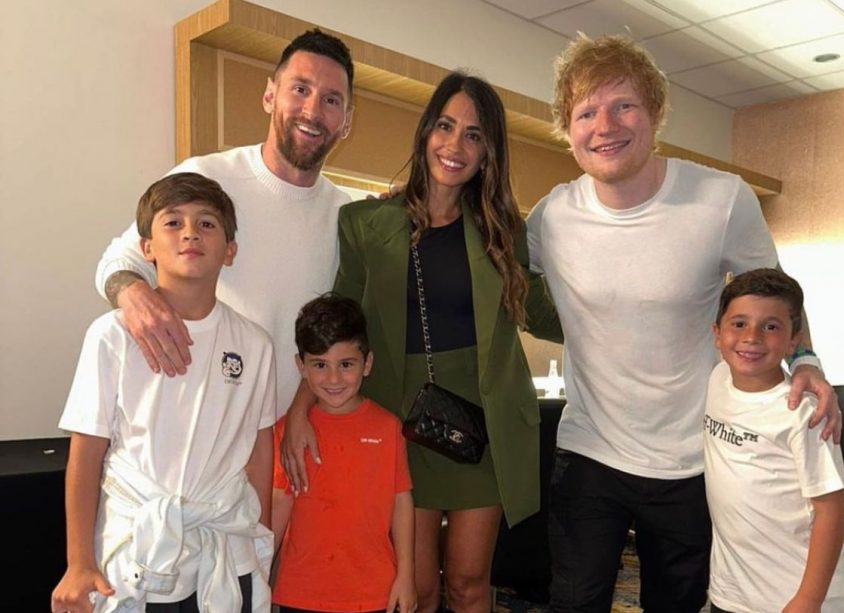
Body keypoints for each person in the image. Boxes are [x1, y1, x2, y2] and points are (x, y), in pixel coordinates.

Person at [525, 34, 841, 612]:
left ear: (654, 114)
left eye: (624, 106)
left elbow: (776, 298)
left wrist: (808, 360)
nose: (605, 125)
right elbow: (487, 261)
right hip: (590, 451)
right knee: (573, 603)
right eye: (586, 112)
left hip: (692, 456)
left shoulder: (720, 199)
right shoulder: (552, 216)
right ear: (567, 130)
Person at [319, 71, 561, 612]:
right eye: (446, 126)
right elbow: (343, 320)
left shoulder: (503, 231)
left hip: (485, 421)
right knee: (417, 588)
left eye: (474, 135)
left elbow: (542, 314)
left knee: (471, 584)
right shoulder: (366, 222)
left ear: (488, 151)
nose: (455, 145)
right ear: (426, 130)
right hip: (402, 420)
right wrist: (310, 399)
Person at [95, 30, 354, 448]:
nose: (312, 110)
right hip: (195, 436)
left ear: (346, 120)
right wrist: (135, 296)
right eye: (300, 89)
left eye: (331, 99)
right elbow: (118, 260)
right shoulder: (207, 177)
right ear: (270, 95)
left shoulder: (346, 216)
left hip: (289, 445)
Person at [51, 173, 276, 613]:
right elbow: (86, 451)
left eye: (207, 224)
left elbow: (259, 450)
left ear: (230, 251)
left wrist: (261, 539)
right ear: (146, 248)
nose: (191, 232)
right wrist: (78, 562)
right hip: (134, 545)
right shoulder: (110, 335)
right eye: (173, 222)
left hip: (225, 549)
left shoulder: (254, 344)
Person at [706, 268, 844, 612]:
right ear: (717, 333)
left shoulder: (804, 411)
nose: (752, 337)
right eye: (738, 323)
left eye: (770, 326)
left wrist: (808, 600)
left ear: (792, 342)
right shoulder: (717, 379)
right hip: (733, 592)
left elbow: (831, 509)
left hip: (795, 597)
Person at [270, 294, 416, 613]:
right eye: (320, 365)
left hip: (374, 591)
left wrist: (406, 574)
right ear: (301, 367)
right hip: (300, 592)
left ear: (367, 364)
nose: (334, 378)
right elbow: (279, 503)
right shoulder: (287, 433)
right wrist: (257, 568)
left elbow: (401, 502)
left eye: (346, 364)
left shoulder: (388, 428)